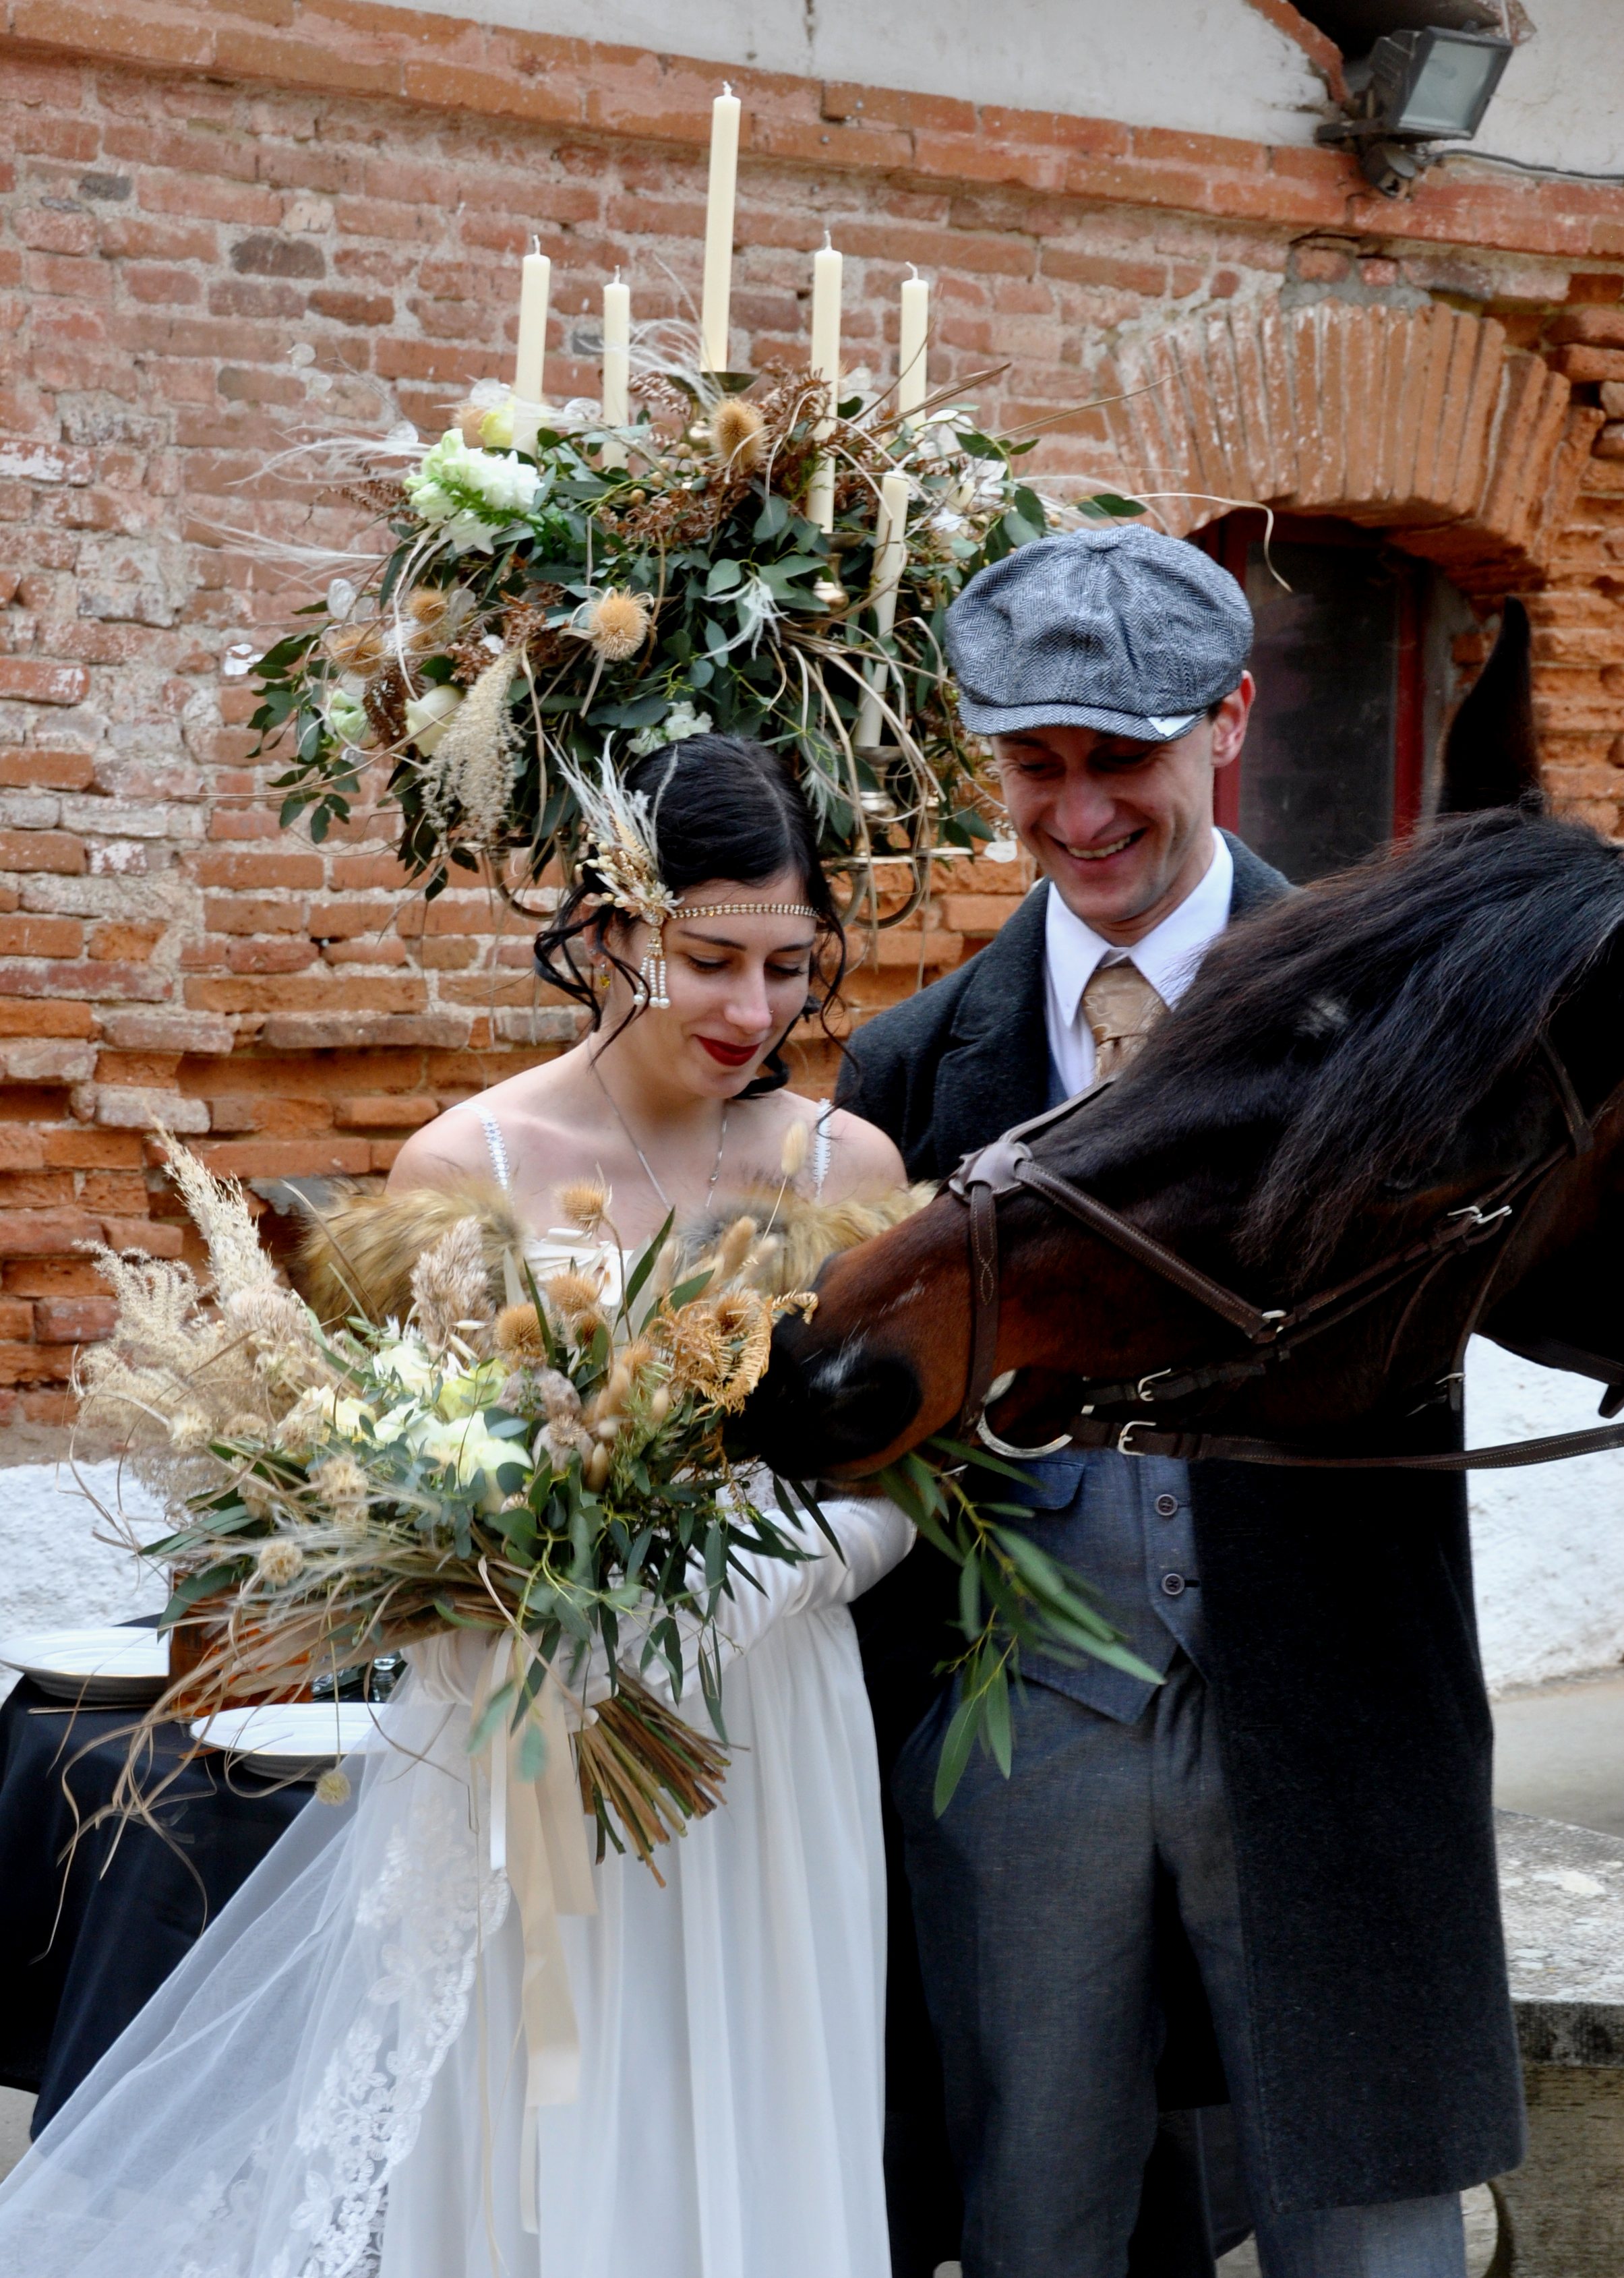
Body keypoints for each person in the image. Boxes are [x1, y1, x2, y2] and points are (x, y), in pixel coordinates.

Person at [0, 734, 914, 2278]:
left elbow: (909, 1474)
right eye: (706, 960)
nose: (751, 1013)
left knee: (756, 2085)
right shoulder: (465, 1169)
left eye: (785, 964)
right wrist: (533, 1581)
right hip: (527, 1726)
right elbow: (397, 1485)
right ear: (613, 923)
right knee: (536, 2119)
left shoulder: (845, 1166)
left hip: (770, 1719)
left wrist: (785, 1567)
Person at [839, 525, 1506, 2278]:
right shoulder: (911, 1069)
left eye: (1117, 761)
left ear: (1229, 717)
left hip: (1333, 1716)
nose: (1074, 816)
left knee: (1368, 2226)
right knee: (1036, 2215)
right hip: (1017, 1745)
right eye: (1034, 768)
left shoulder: (1397, 1008)